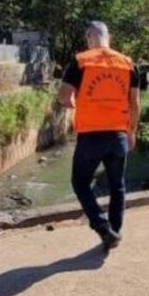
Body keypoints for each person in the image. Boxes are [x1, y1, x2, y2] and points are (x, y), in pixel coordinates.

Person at [59, 21, 141, 252]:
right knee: (118, 186)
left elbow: (64, 97)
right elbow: (134, 103)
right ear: (108, 37)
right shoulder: (127, 63)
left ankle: (103, 228)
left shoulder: (81, 61)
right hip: (118, 135)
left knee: (80, 182)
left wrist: (75, 102)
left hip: (90, 136)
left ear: (89, 37)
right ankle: (114, 232)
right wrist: (132, 131)